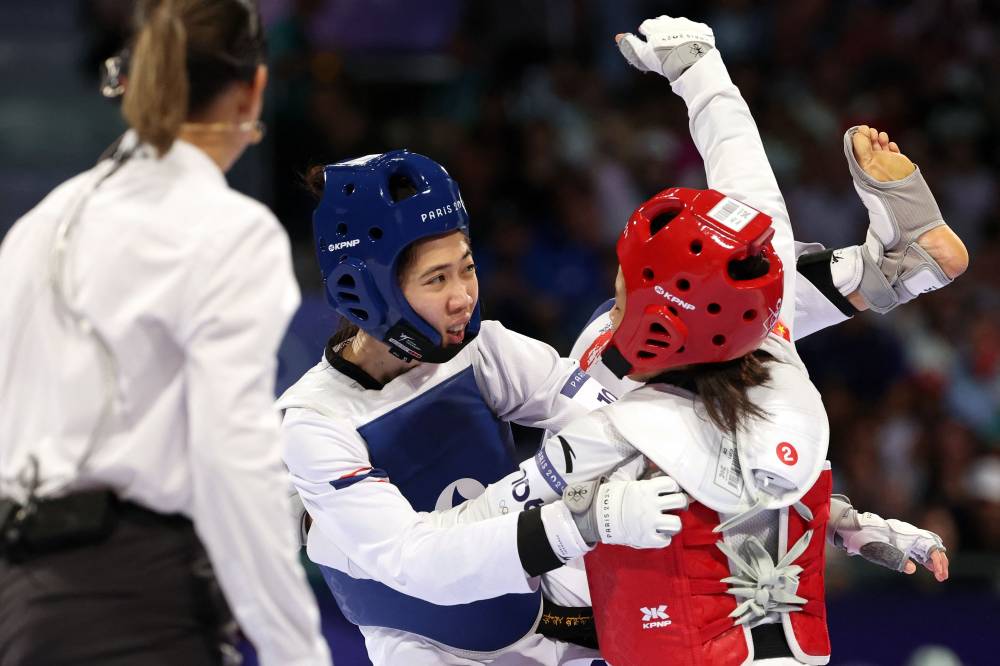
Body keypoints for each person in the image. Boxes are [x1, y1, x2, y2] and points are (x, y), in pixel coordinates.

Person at [280, 18, 965, 666]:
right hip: (432, 644)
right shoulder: (317, 422)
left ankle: (882, 273)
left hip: (556, 621)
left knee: (661, 343)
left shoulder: (483, 351)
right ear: (364, 288)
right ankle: (884, 272)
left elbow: (628, 416)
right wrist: (586, 515)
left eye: (466, 266)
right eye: (436, 278)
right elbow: (413, 561)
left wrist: (824, 515)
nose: (462, 293)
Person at [0, 1, 330, 664]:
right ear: (253, 89)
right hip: (139, 605)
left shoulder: (37, 225)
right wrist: (296, 650)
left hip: (22, 606)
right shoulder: (230, 231)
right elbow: (230, 459)